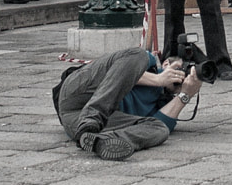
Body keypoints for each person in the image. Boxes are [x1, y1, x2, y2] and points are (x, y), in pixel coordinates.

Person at [53, 47, 202, 161]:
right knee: (138, 54)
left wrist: (185, 95)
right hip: (79, 90)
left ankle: (102, 141)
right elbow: (123, 66)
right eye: (181, 69)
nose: (183, 75)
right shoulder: (147, 64)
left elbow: (162, 124)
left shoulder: (165, 104)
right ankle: (92, 116)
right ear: (165, 63)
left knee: (160, 129)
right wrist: (158, 80)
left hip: (76, 120)